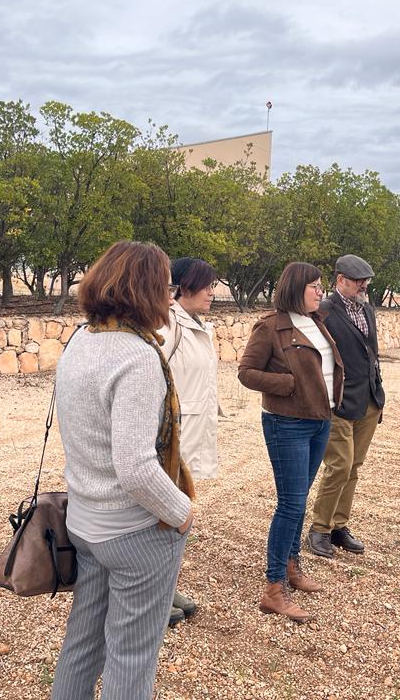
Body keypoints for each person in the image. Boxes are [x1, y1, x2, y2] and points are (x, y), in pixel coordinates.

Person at [50, 241, 195, 700]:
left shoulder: (80, 340)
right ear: (148, 290)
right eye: (167, 285)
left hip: (85, 522)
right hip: (133, 530)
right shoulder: (136, 357)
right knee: (132, 658)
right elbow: (135, 467)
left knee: (82, 645)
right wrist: (181, 510)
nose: (171, 296)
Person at [238, 262, 344, 623]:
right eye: (315, 286)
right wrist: (286, 385)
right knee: (290, 504)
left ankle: (292, 567)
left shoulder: (316, 322)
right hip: (288, 424)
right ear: (296, 288)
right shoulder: (271, 327)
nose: (321, 292)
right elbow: (246, 372)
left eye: (321, 286)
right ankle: (273, 589)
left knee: (299, 503)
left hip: (320, 422)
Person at [308, 254, 385, 558]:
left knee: (353, 467)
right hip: (338, 402)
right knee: (339, 466)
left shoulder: (367, 309)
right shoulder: (324, 311)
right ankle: (319, 529)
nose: (364, 285)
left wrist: (377, 391)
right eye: (357, 280)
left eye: (366, 280)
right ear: (340, 280)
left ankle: (339, 526)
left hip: (369, 399)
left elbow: (372, 353)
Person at [157, 257, 219, 625]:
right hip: (175, 437)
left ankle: (168, 585)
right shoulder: (169, 324)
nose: (213, 291)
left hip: (194, 433)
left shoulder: (196, 324)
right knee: (164, 517)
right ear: (183, 287)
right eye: (206, 284)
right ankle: (157, 596)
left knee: (180, 514)